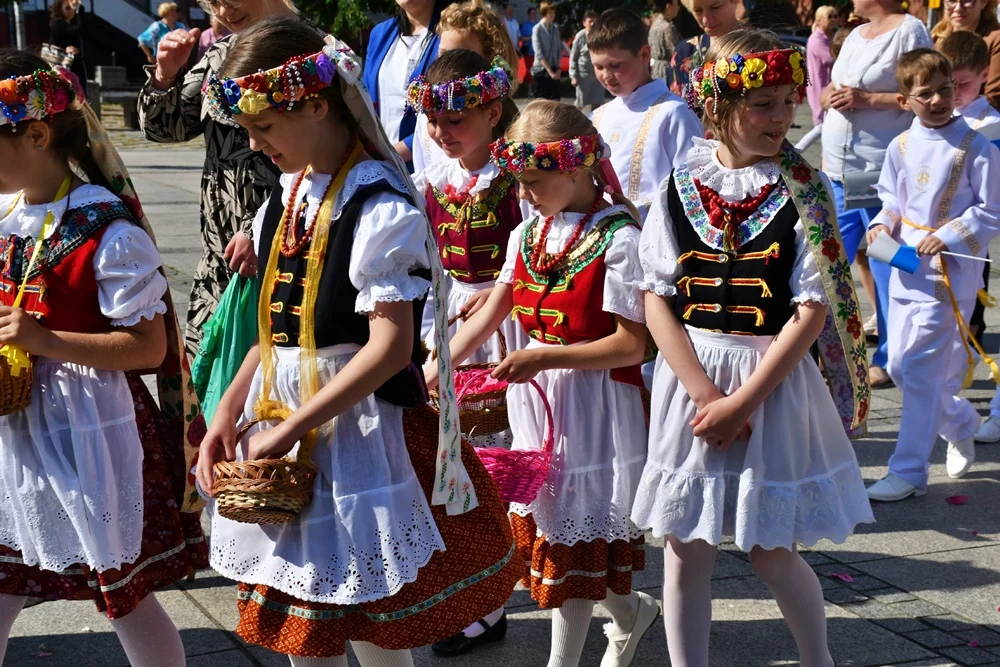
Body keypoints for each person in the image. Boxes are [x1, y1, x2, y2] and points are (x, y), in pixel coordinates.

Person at [199, 18, 522, 666]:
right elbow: (275, 334)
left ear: (316, 104)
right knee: (305, 628)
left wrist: (293, 423)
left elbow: (390, 348)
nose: (257, 146)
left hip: (356, 439)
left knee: (373, 625)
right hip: (284, 428)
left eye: (264, 128)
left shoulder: (377, 210)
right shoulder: (284, 202)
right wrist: (226, 411)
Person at [632, 29, 874, 666]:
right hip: (693, 379)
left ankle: (817, 658)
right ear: (717, 106)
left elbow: (812, 310)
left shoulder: (806, 191)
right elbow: (656, 297)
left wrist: (741, 402)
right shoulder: (679, 186)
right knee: (685, 546)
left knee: (770, 548)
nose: (781, 116)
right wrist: (705, 392)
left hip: (770, 378)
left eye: (787, 100)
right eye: (762, 103)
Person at [430, 99, 658, 667]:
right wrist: (439, 363)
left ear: (577, 169)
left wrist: (545, 356)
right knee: (561, 535)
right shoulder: (530, 232)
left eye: (534, 182)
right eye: (519, 182)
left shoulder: (620, 240)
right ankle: (631, 616)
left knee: (570, 544)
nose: (524, 194)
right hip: (541, 403)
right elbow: (491, 310)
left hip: (594, 404)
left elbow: (634, 345)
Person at [0, 50, 209, 665]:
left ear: (36, 133)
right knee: (4, 577)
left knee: (121, 594)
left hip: (88, 425)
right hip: (17, 425)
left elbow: (149, 346)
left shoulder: (107, 230)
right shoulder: (8, 216)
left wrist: (44, 342)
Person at [406, 50, 528, 656]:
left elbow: (537, 257)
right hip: (449, 321)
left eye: (456, 119)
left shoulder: (518, 177)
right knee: (460, 464)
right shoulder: (434, 180)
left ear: (493, 111)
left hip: (508, 329)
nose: (441, 132)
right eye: (433, 120)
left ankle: (495, 597)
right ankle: (479, 591)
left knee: (499, 465)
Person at [865, 49, 1000, 501]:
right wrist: (882, 225)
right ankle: (960, 421)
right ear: (906, 100)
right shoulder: (900, 146)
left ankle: (908, 470)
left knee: (915, 367)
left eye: (945, 89)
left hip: (948, 272)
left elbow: (991, 209)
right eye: (926, 94)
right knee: (905, 368)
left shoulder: (975, 145)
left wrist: (951, 233)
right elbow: (891, 200)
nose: (940, 100)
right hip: (905, 266)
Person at [138, 0, 295, 358]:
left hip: (288, 261)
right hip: (219, 265)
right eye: (212, 3)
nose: (223, 11)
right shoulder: (222, 53)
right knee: (208, 391)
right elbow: (166, 129)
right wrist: (165, 75)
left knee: (270, 397)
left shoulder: (311, 50)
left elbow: (331, 157)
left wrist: (262, 224)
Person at [820, 0, 932, 390]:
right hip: (838, 173)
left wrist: (866, 100)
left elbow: (923, 90)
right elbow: (831, 91)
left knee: (888, 269)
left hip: (879, 178)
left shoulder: (909, 30)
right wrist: (828, 98)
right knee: (826, 266)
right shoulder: (853, 34)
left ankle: (888, 357)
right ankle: (823, 354)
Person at [588, 8, 703, 223]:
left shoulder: (674, 112)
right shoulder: (596, 118)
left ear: (644, 55)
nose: (606, 75)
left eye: (615, 65)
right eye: (598, 66)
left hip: (656, 234)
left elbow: (693, 188)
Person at [931, 0, 1000, 345]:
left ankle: (968, 343)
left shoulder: (989, 127)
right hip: (930, 227)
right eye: (947, 85)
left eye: (963, 84)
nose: (954, 94)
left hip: (967, 235)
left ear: (985, 76)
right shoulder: (938, 117)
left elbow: (991, 199)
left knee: (967, 300)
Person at [411, 0, 521, 175]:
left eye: (462, 55)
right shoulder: (426, 123)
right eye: (443, 55)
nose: (450, 65)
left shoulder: (513, 126)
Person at [364, 0, 448, 166]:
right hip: (380, 165)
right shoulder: (380, 33)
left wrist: (390, 156)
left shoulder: (451, 35)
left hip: (428, 166)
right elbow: (364, 101)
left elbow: (452, 113)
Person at [931, 0, 1000, 108]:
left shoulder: (996, 40)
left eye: (967, 0)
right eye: (952, 1)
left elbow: (994, 96)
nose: (958, 8)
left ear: (983, 3)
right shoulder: (935, 39)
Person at [669, 0, 742, 96]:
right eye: (698, 10)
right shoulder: (684, 52)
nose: (706, 20)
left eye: (715, 7)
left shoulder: (761, 44)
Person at [799, 5, 840, 151]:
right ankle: (798, 149)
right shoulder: (816, 39)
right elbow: (829, 58)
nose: (834, 20)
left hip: (828, 84)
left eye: (835, 16)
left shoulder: (830, 37)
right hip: (819, 86)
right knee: (822, 124)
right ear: (820, 19)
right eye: (830, 17)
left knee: (826, 125)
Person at [48, 0, 87, 93]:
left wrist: (78, 51)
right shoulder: (58, 23)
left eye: (73, 8)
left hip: (74, 64)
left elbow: (83, 35)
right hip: (63, 66)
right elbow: (79, 30)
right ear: (59, 9)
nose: (72, 10)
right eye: (67, 8)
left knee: (80, 94)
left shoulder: (72, 23)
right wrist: (80, 10)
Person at [570, 10, 604, 110]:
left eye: (595, 21)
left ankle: (593, 124)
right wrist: (573, 76)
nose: (593, 24)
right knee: (580, 104)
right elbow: (573, 56)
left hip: (597, 74)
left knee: (597, 103)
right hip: (583, 74)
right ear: (584, 22)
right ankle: (575, 124)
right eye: (590, 21)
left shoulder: (600, 35)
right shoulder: (580, 36)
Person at [531, 2, 563, 100]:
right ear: (544, 13)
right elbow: (538, 52)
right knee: (542, 103)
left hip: (554, 69)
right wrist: (549, 71)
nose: (553, 15)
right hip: (541, 70)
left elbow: (558, 49)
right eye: (550, 12)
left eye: (553, 12)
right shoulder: (537, 29)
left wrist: (558, 68)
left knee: (555, 103)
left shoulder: (555, 28)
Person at [649, 0, 683, 86]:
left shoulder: (655, 23)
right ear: (669, 6)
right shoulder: (667, 27)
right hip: (667, 72)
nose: (678, 7)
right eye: (676, 4)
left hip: (655, 70)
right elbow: (676, 51)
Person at [521, 7, 539, 91]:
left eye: (535, 13)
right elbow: (522, 38)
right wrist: (531, 37)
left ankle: (537, 87)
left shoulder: (538, 25)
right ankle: (529, 88)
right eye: (532, 13)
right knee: (529, 69)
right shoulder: (525, 25)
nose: (534, 15)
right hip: (529, 51)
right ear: (529, 15)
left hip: (537, 51)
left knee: (537, 69)